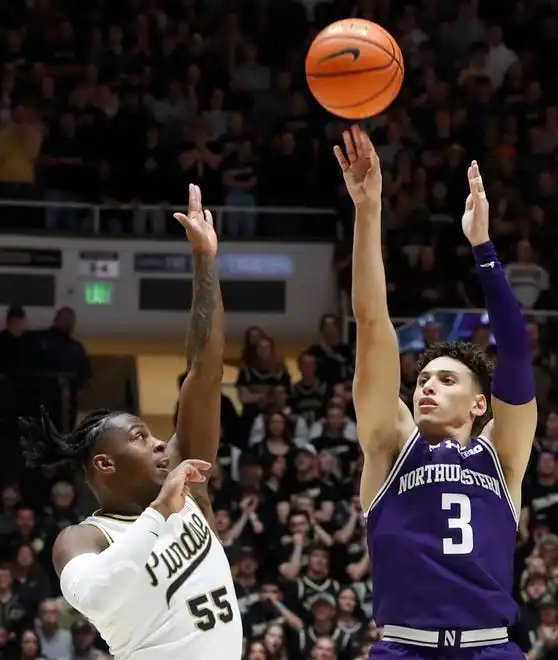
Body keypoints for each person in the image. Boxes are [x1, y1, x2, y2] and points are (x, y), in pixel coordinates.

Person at [334, 126, 537, 659]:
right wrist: (368, 208)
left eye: (447, 380)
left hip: (491, 648)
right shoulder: (390, 443)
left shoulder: (502, 453)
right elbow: (372, 321)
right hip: (404, 648)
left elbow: (515, 353)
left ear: (479, 404)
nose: (427, 386)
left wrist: (483, 248)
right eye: (423, 378)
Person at [18, 184, 243, 660]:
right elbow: (94, 594)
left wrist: (205, 262)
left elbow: (205, 368)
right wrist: (160, 514)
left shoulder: (188, 480)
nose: (163, 444)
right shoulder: (83, 538)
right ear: (104, 463)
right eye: (141, 437)